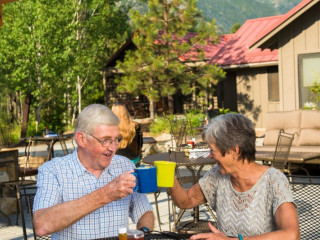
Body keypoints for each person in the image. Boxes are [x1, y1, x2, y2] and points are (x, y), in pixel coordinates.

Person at [169, 113, 300, 240]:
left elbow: (292, 235)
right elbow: (185, 201)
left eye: (212, 150)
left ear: (234, 151)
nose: (210, 155)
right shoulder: (217, 175)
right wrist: (168, 175)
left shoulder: (274, 181)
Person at [33, 104, 154, 239]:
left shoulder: (124, 165)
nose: (113, 148)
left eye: (117, 140)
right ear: (82, 139)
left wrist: (143, 232)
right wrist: (106, 194)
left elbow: (145, 212)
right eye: (106, 140)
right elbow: (41, 225)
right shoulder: (53, 170)